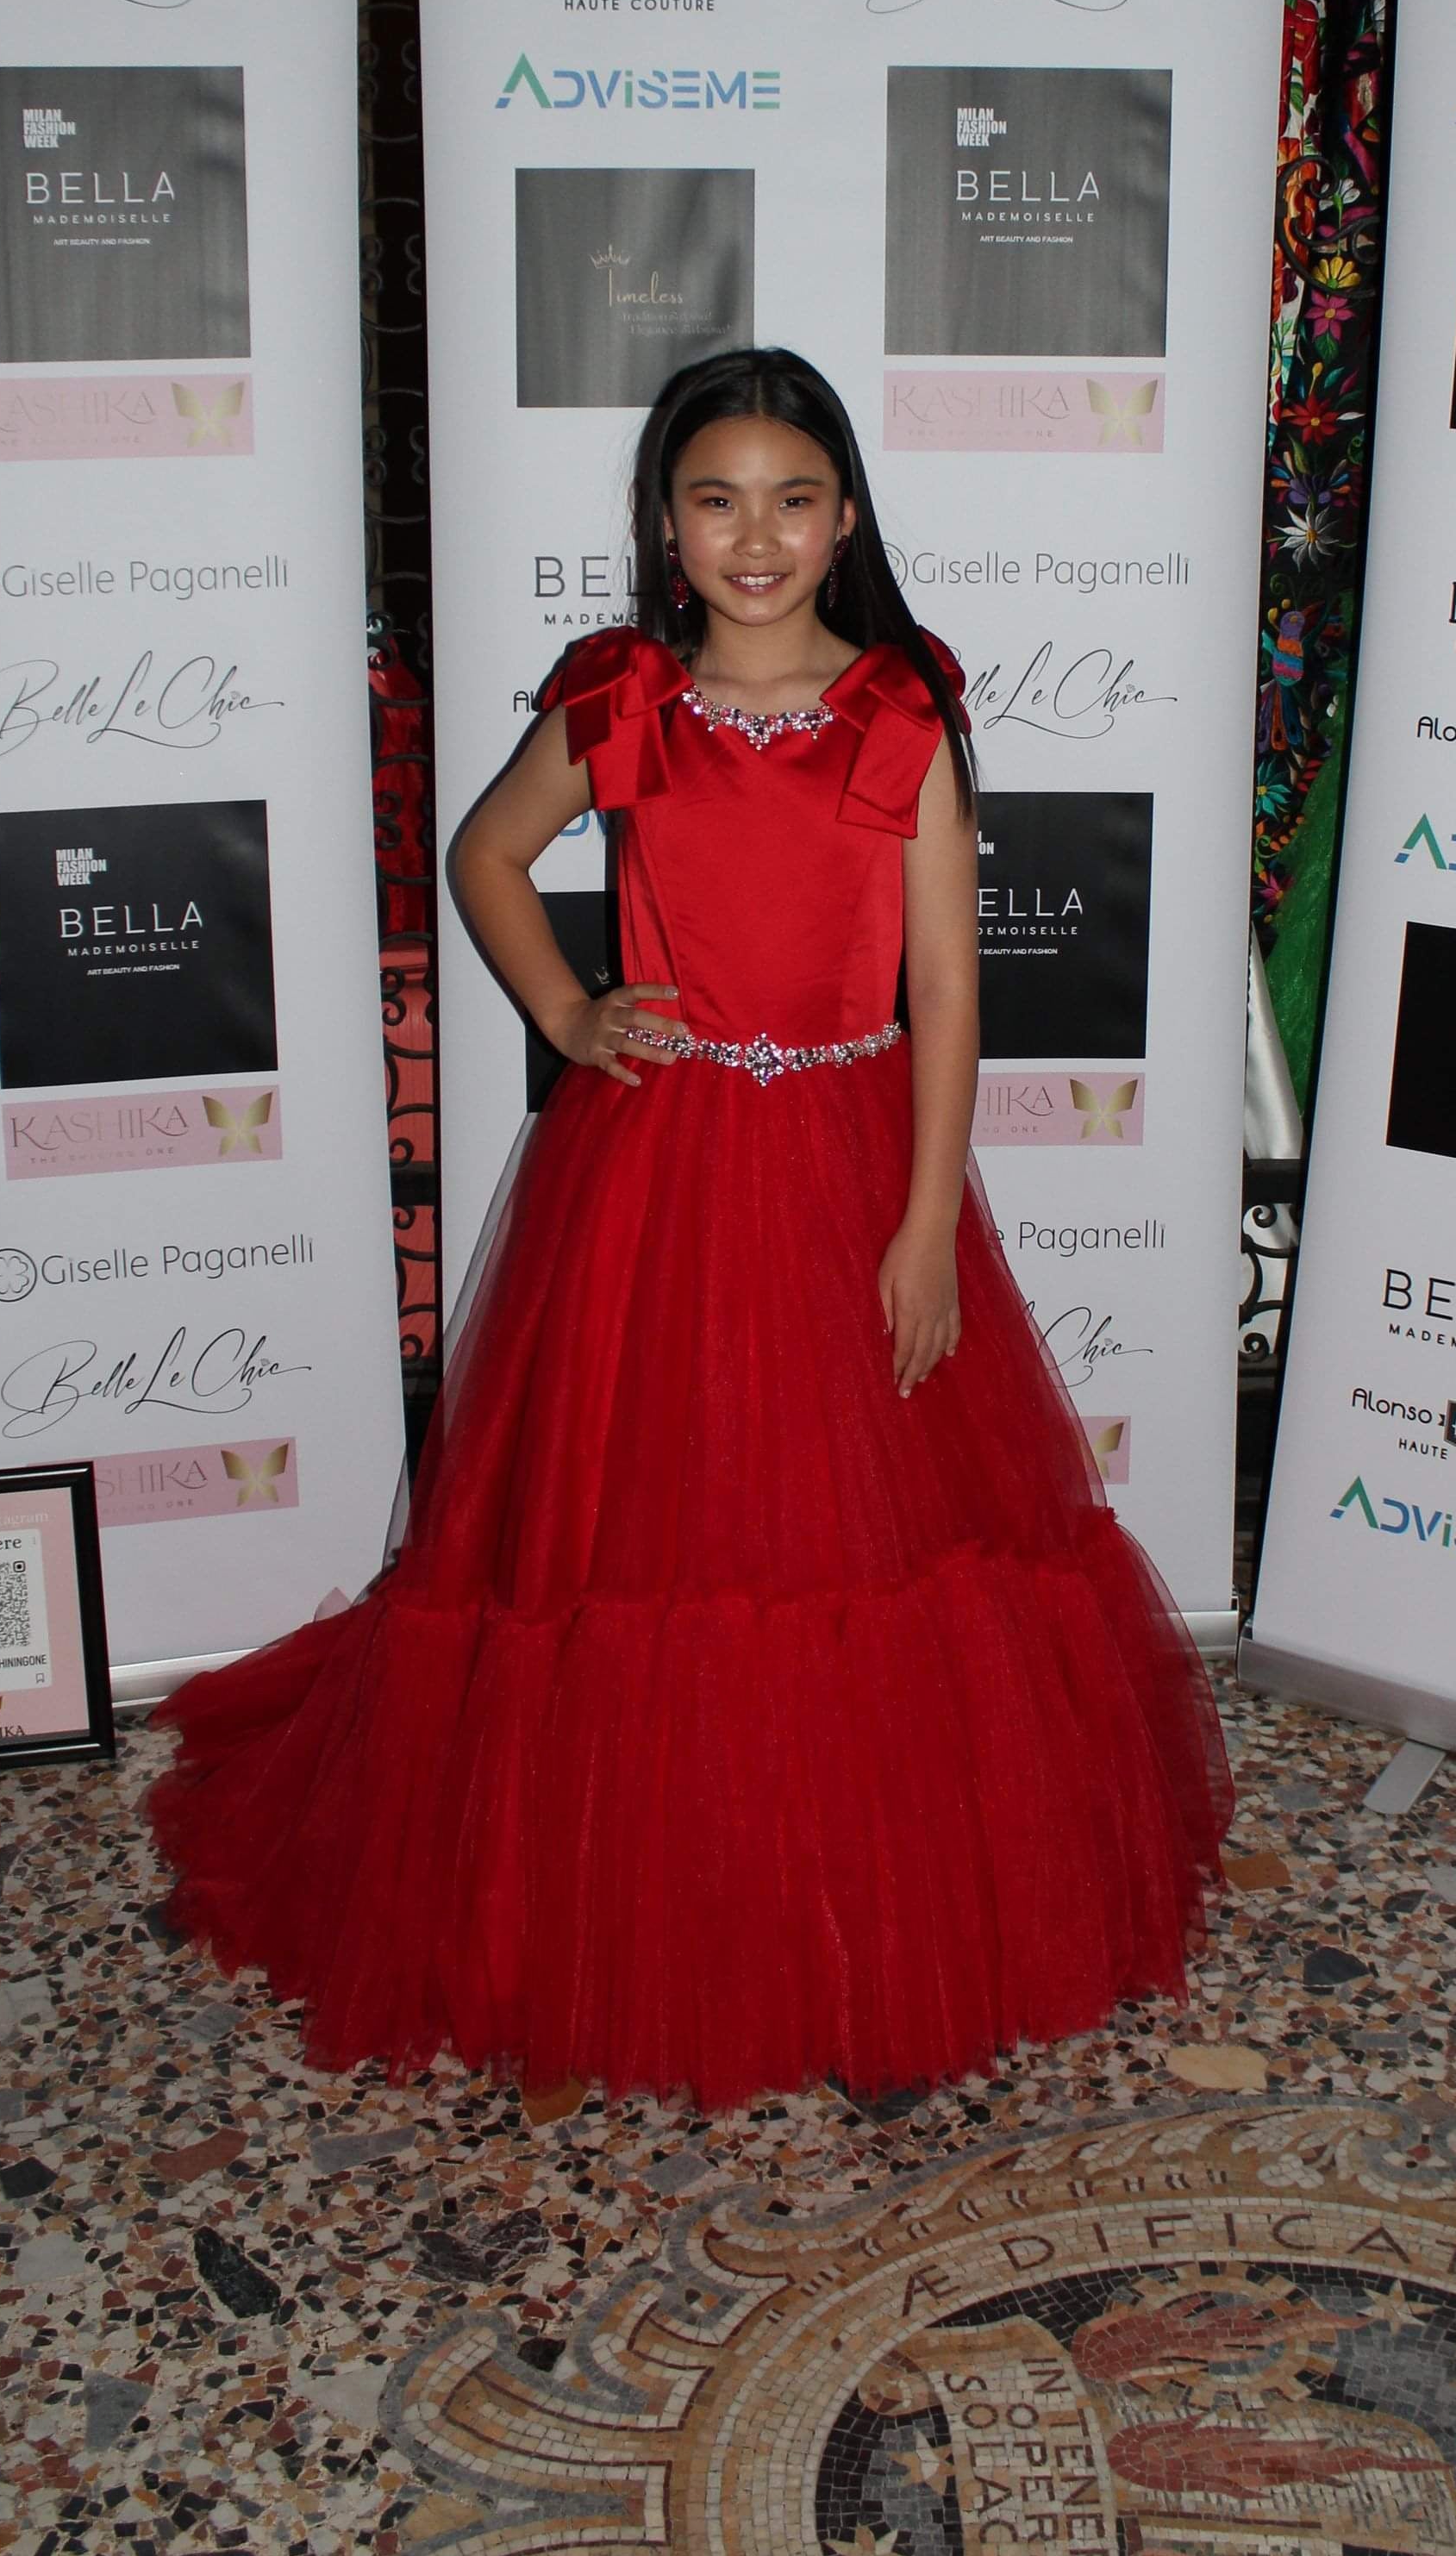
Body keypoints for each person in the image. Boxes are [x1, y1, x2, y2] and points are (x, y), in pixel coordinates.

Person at [150, 346, 1232, 2109]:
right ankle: (653, 1900)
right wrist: (570, 1010)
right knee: (642, 1528)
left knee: (857, 1536)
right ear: (667, 523)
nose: (757, 535)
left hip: (850, 1158)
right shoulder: (623, 700)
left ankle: (855, 1898)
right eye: (717, 499)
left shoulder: (899, 714)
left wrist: (926, 1225)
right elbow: (485, 856)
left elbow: (950, 989)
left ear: (845, 517)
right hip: (653, 1172)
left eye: (792, 499)